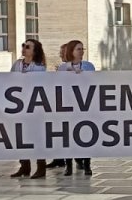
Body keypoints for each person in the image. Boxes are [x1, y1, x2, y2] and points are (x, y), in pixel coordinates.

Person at [9, 39, 48, 179]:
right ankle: (24, 166)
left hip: (35, 105)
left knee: (37, 136)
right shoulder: (17, 64)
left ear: (34, 51)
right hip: (19, 104)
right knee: (21, 135)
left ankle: (41, 166)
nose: (24, 48)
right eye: (23, 46)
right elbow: (9, 80)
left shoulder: (39, 67)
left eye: (28, 47)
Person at [57, 40, 96, 176]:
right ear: (71, 51)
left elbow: (94, 82)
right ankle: (68, 165)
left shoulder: (89, 66)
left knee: (86, 134)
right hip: (68, 105)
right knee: (68, 135)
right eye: (78, 49)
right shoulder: (63, 68)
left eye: (82, 49)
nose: (81, 52)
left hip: (85, 105)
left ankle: (87, 164)